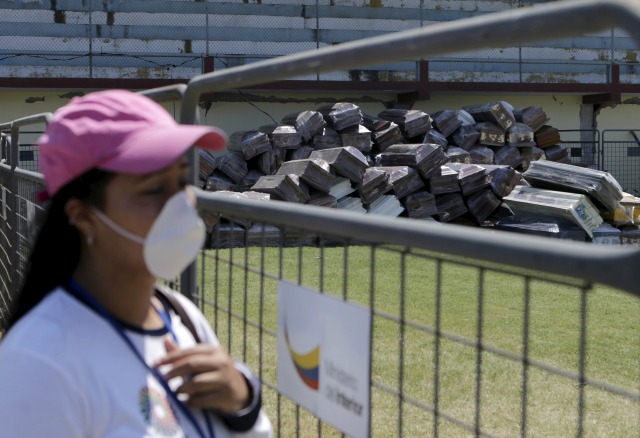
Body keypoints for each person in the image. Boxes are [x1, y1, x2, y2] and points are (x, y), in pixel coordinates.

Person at [0, 89, 273, 437]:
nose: (181, 204)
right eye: (153, 189)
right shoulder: (39, 364)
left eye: (180, 181)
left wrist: (243, 402)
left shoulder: (183, 316)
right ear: (83, 216)